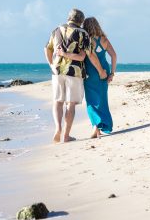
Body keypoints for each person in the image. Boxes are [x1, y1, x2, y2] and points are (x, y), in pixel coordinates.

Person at [44, 9, 106, 143]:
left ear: (68, 18)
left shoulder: (56, 30)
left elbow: (47, 48)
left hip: (57, 71)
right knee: (71, 104)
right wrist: (101, 70)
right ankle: (66, 135)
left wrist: (51, 64)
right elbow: (89, 55)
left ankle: (58, 128)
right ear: (81, 21)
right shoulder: (82, 33)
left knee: (58, 101)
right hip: (75, 72)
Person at [57, 17, 116, 138]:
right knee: (102, 99)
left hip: (90, 72)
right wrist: (112, 73)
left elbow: (86, 56)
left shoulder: (86, 39)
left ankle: (96, 127)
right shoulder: (104, 40)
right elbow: (114, 56)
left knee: (91, 100)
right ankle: (101, 125)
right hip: (104, 71)